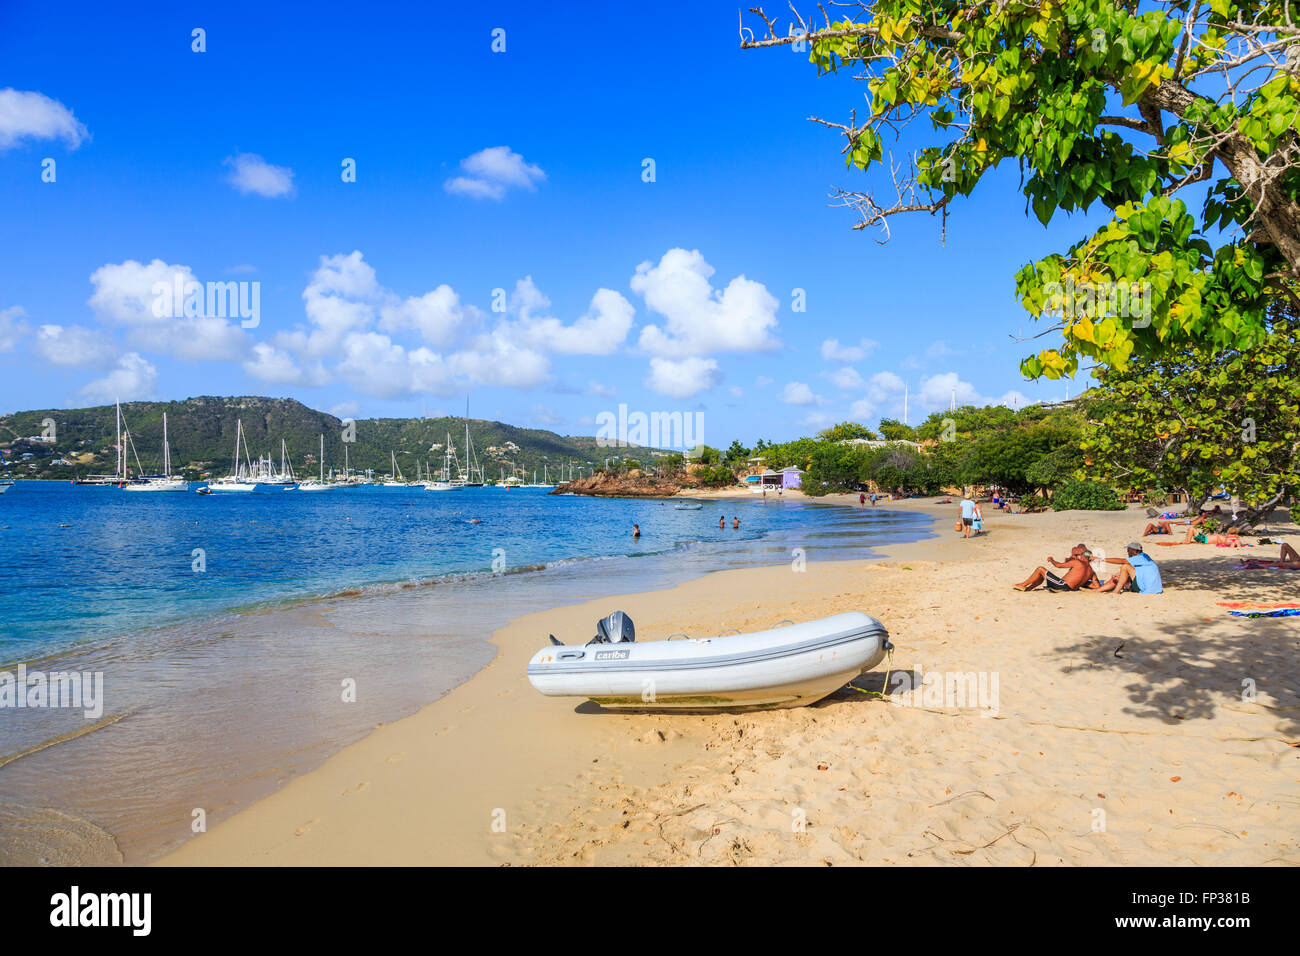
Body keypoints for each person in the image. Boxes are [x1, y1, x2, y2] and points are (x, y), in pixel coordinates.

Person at [1013, 545, 1097, 591]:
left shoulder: (1077, 563)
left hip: (1062, 586)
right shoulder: (1091, 571)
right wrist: (1084, 584)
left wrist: (1052, 560)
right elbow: (1096, 586)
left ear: (1082, 556)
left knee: (1040, 569)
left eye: (1079, 555)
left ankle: (1023, 585)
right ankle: (1029, 588)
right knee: (1043, 574)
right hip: (1070, 588)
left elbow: (1059, 565)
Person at [1093, 542, 1163, 594]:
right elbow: (1136, 574)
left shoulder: (1140, 557)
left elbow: (1122, 561)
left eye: (1129, 550)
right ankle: (1098, 590)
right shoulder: (1144, 557)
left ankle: (1116, 591)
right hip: (1152, 588)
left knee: (1125, 566)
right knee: (1117, 577)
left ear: (1135, 551)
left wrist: (1101, 559)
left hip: (1146, 590)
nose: (1127, 552)